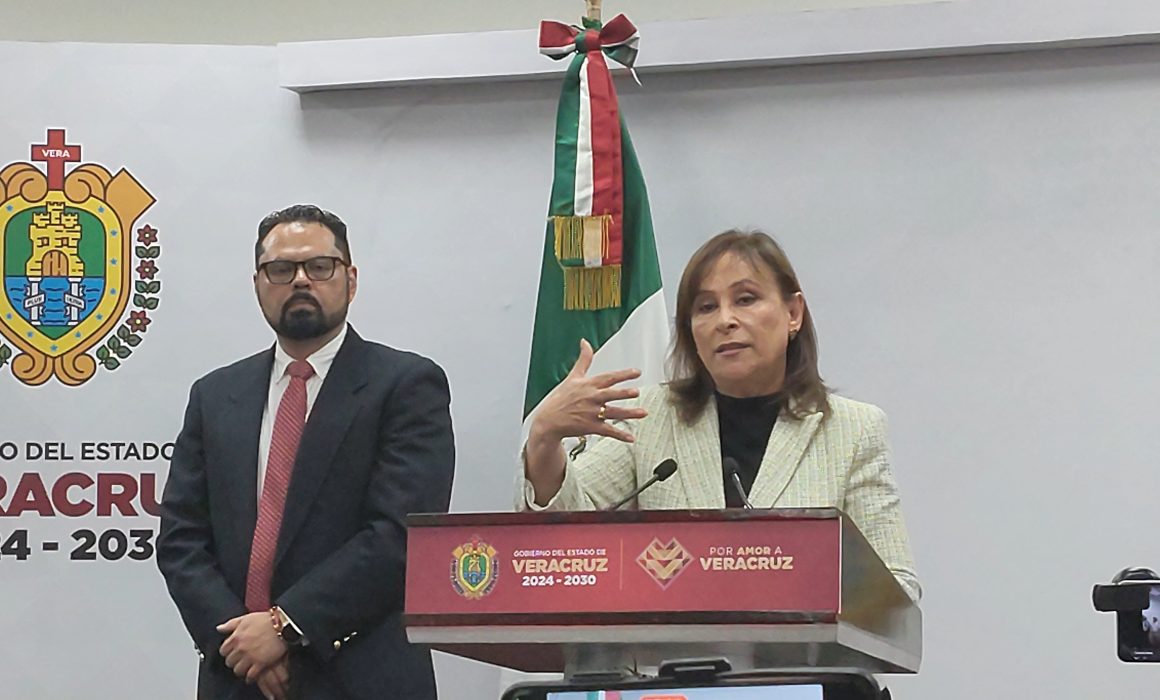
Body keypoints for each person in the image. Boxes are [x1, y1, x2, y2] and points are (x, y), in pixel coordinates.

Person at [518, 229, 920, 602]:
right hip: (674, 656)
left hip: (805, 655)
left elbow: (895, 589)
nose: (725, 320)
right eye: (706, 307)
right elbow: (563, 545)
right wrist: (544, 439)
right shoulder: (650, 418)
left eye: (745, 299)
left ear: (793, 313)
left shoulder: (853, 431)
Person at [157, 205, 455, 700]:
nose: (300, 280)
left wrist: (284, 627)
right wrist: (240, 643)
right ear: (257, 284)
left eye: (319, 266)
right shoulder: (215, 395)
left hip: (360, 676)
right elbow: (181, 538)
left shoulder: (406, 385)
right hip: (237, 677)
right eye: (280, 269)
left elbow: (398, 535)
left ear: (350, 280)